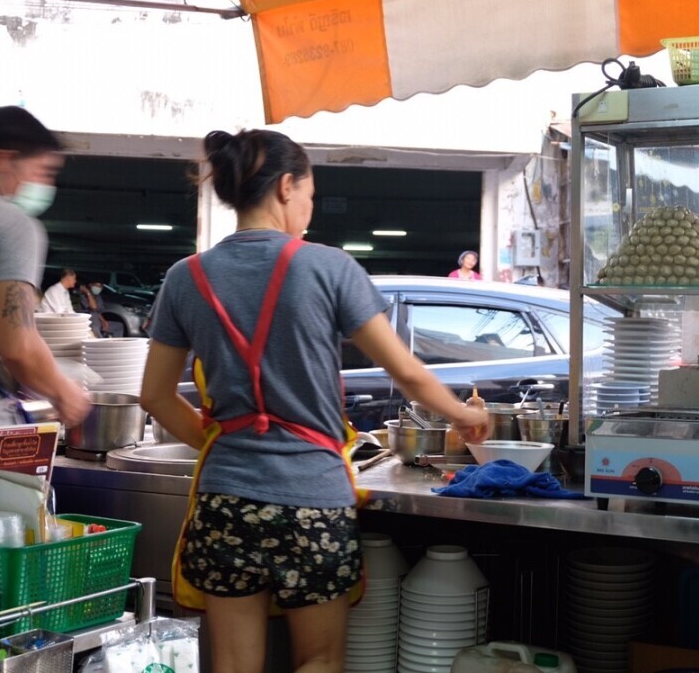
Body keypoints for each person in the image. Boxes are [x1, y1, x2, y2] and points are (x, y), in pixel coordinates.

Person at [139, 128, 490, 673]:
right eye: (309, 192)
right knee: (319, 661)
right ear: (285, 187)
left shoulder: (186, 278)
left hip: (225, 501)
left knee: (233, 666)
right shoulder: (329, 268)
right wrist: (469, 416)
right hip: (313, 502)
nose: (309, 205)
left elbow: (155, 397)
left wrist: (221, 441)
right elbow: (409, 374)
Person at [0, 106, 91, 428]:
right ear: (0, 160)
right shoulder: (10, 223)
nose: (47, 184)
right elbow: (17, 345)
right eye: (43, 171)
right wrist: (64, 392)